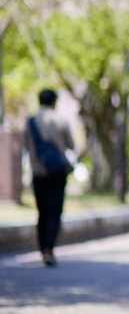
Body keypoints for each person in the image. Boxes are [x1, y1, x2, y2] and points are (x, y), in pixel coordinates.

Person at [25, 89, 78, 267]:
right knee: (55, 212)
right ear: (54, 102)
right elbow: (71, 145)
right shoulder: (61, 120)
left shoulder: (30, 122)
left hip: (38, 172)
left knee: (42, 213)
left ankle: (42, 250)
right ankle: (49, 248)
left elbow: (26, 146)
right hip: (57, 172)